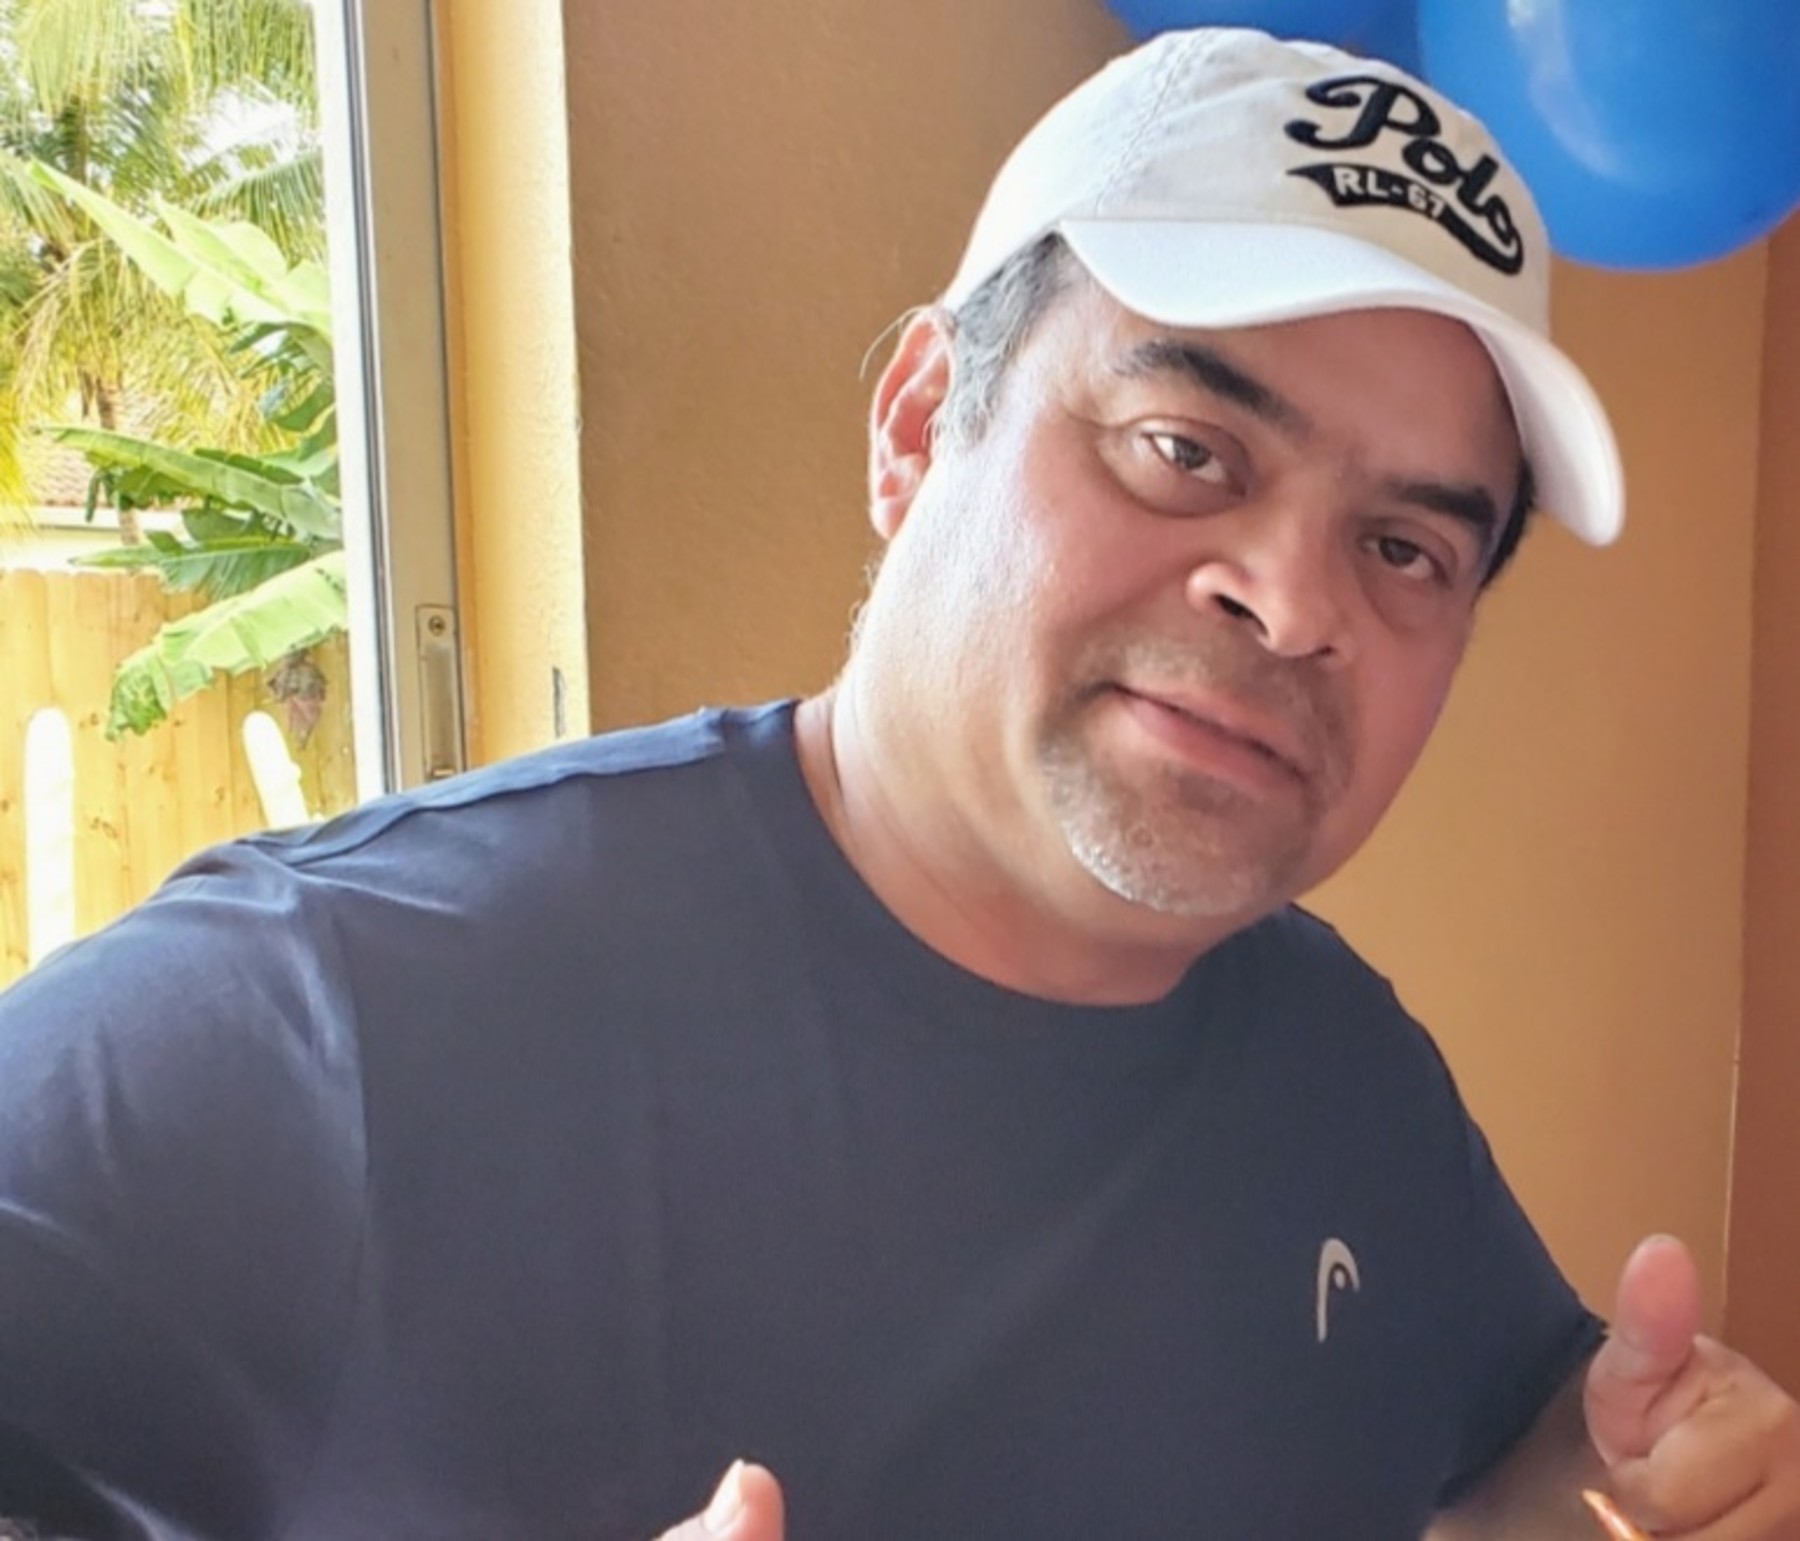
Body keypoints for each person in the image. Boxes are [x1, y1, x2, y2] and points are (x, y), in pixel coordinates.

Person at [0, 25, 1795, 1541]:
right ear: (921, 425)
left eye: (1406, 548)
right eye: (1185, 448)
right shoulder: (333, 1011)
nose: (1295, 598)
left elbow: (1497, 1449)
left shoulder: (1346, 1070)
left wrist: (1622, 1466)